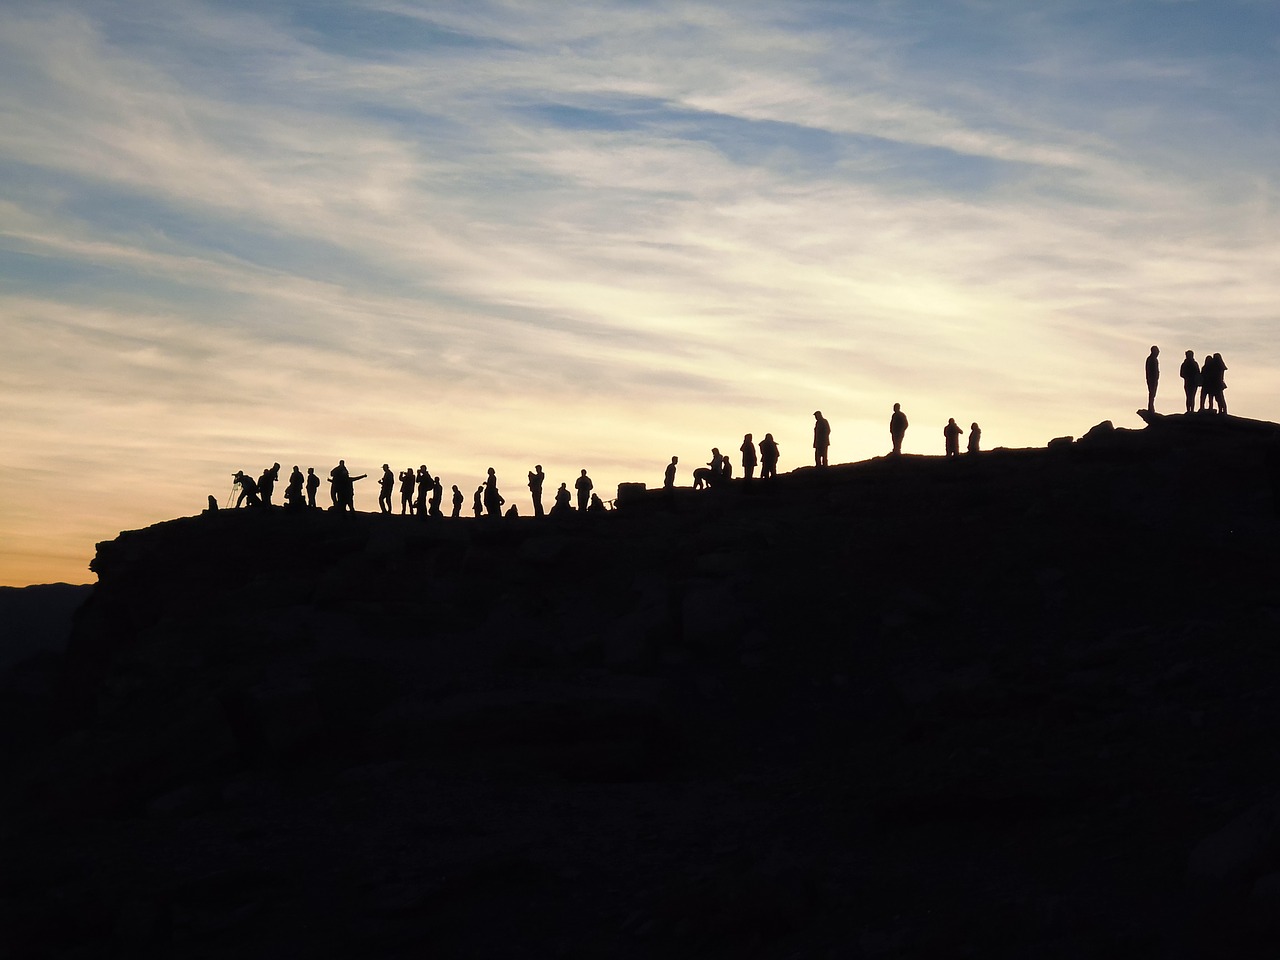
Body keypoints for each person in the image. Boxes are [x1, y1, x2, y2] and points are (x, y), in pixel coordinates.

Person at [1179, 350, 1200, 414]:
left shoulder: (1187, 364)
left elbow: (1198, 373)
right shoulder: (1190, 364)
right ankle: (1190, 410)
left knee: (1190, 397)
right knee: (1190, 397)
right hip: (1190, 382)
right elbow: (1181, 374)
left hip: (1192, 382)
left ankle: (1191, 410)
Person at [1145, 345, 1160, 412]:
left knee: (1153, 393)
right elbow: (1149, 370)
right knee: (1152, 392)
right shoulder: (1151, 359)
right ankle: (1150, 406)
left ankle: (1151, 406)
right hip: (1152, 378)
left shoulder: (1153, 359)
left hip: (1154, 378)